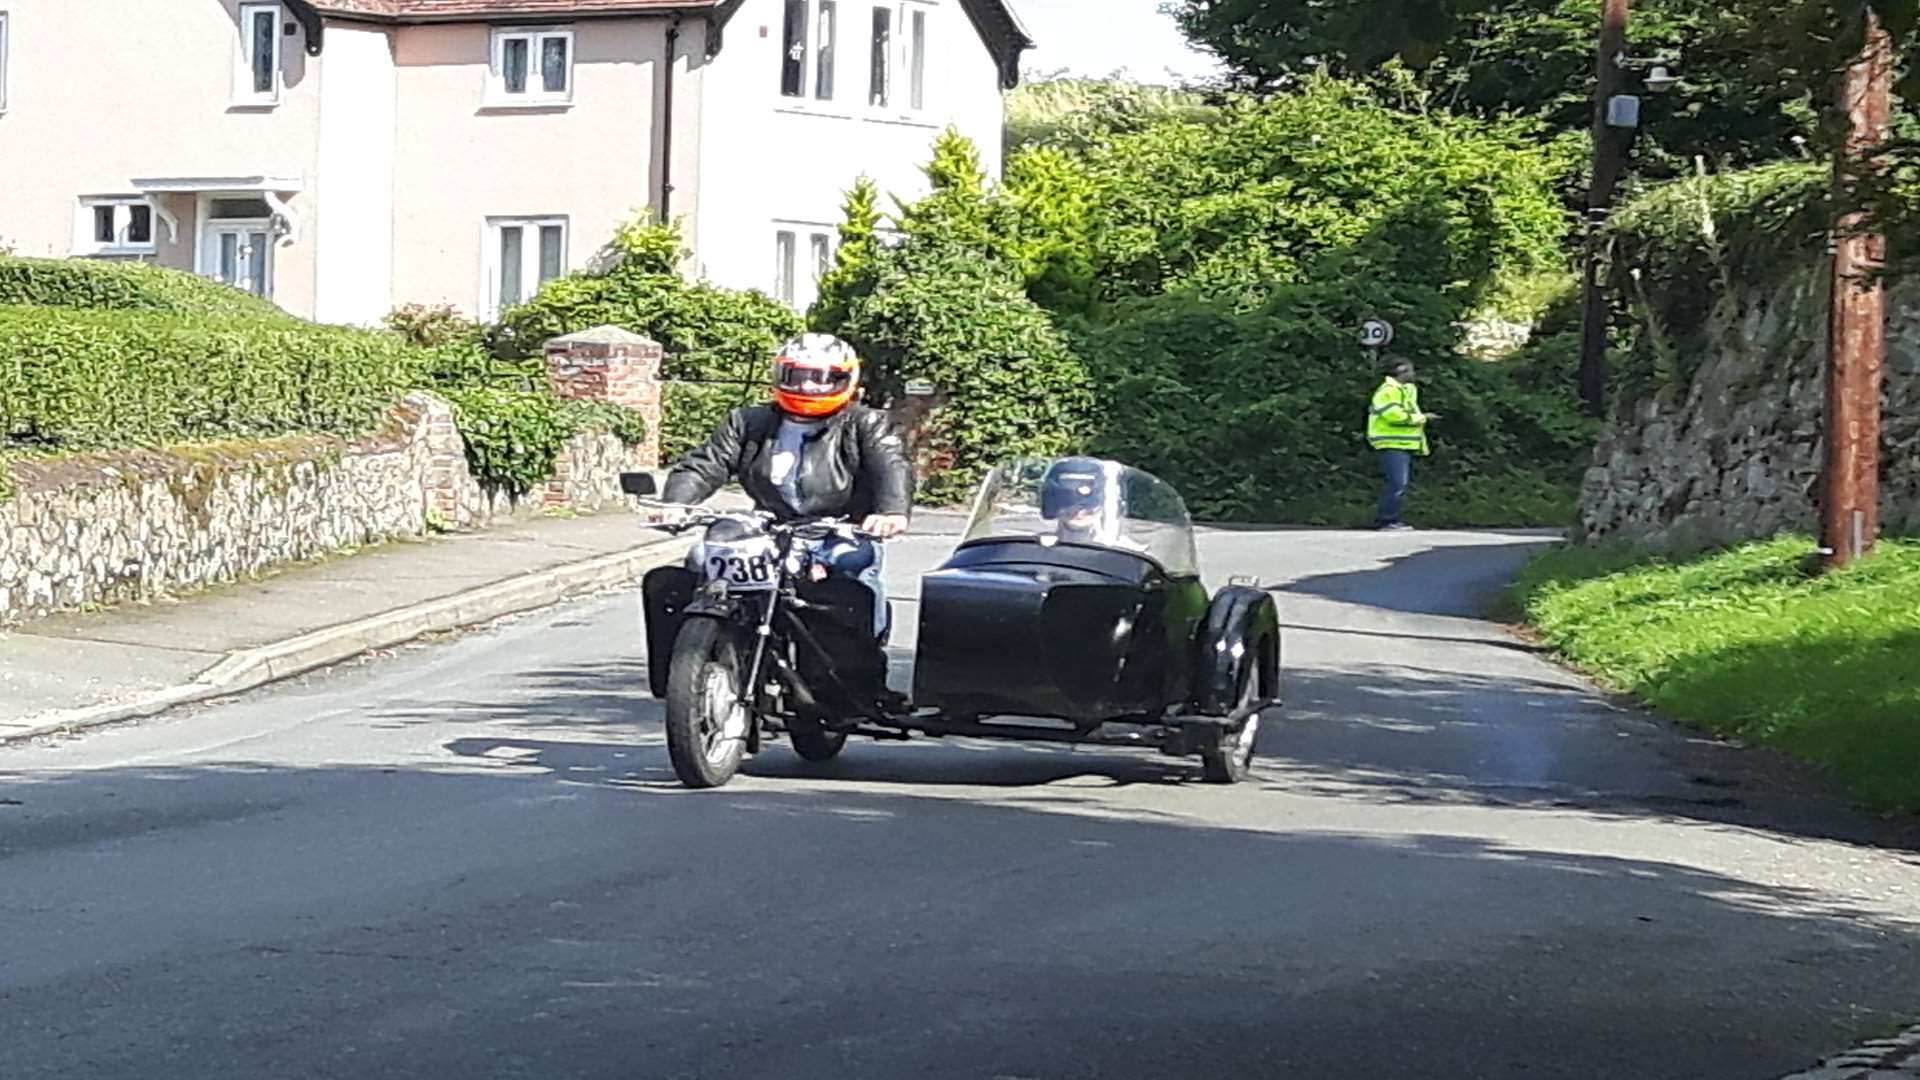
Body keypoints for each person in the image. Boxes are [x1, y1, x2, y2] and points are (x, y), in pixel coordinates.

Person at [660, 333, 911, 638]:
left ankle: (865, 664)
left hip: (839, 527)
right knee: (704, 557)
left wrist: (891, 511)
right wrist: (676, 503)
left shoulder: (866, 423)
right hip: (769, 524)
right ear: (779, 375)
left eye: (823, 377)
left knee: (853, 566)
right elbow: (706, 463)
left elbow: (891, 464)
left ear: (846, 380)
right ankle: (718, 637)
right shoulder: (747, 421)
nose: (808, 386)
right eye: (796, 376)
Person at [1366, 356, 1438, 532]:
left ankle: (1391, 519)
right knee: (1397, 483)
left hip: (1402, 443)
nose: (1413, 373)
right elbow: (1394, 415)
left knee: (1398, 483)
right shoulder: (1388, 390)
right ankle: (1387, 520)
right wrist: (1422, 418)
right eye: (1409, 369)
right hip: (1390, 442)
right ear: (1399, 371)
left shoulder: (1406, 390)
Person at [1038, 457, 1145, 552]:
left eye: (1088, 502)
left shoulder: (1130, 554)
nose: (1078, 509)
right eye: (1066, 498)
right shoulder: (1038, 550)